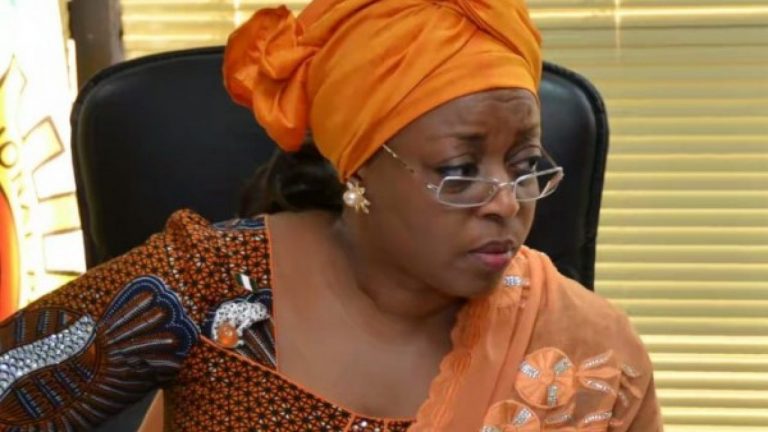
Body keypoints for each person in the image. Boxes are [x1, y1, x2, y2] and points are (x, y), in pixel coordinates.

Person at [0, 0, 663, 430]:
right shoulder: (210, 284)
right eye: (459, 170)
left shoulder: (588, 348)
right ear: (359, 168)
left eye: (525, 164)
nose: (507, 201)